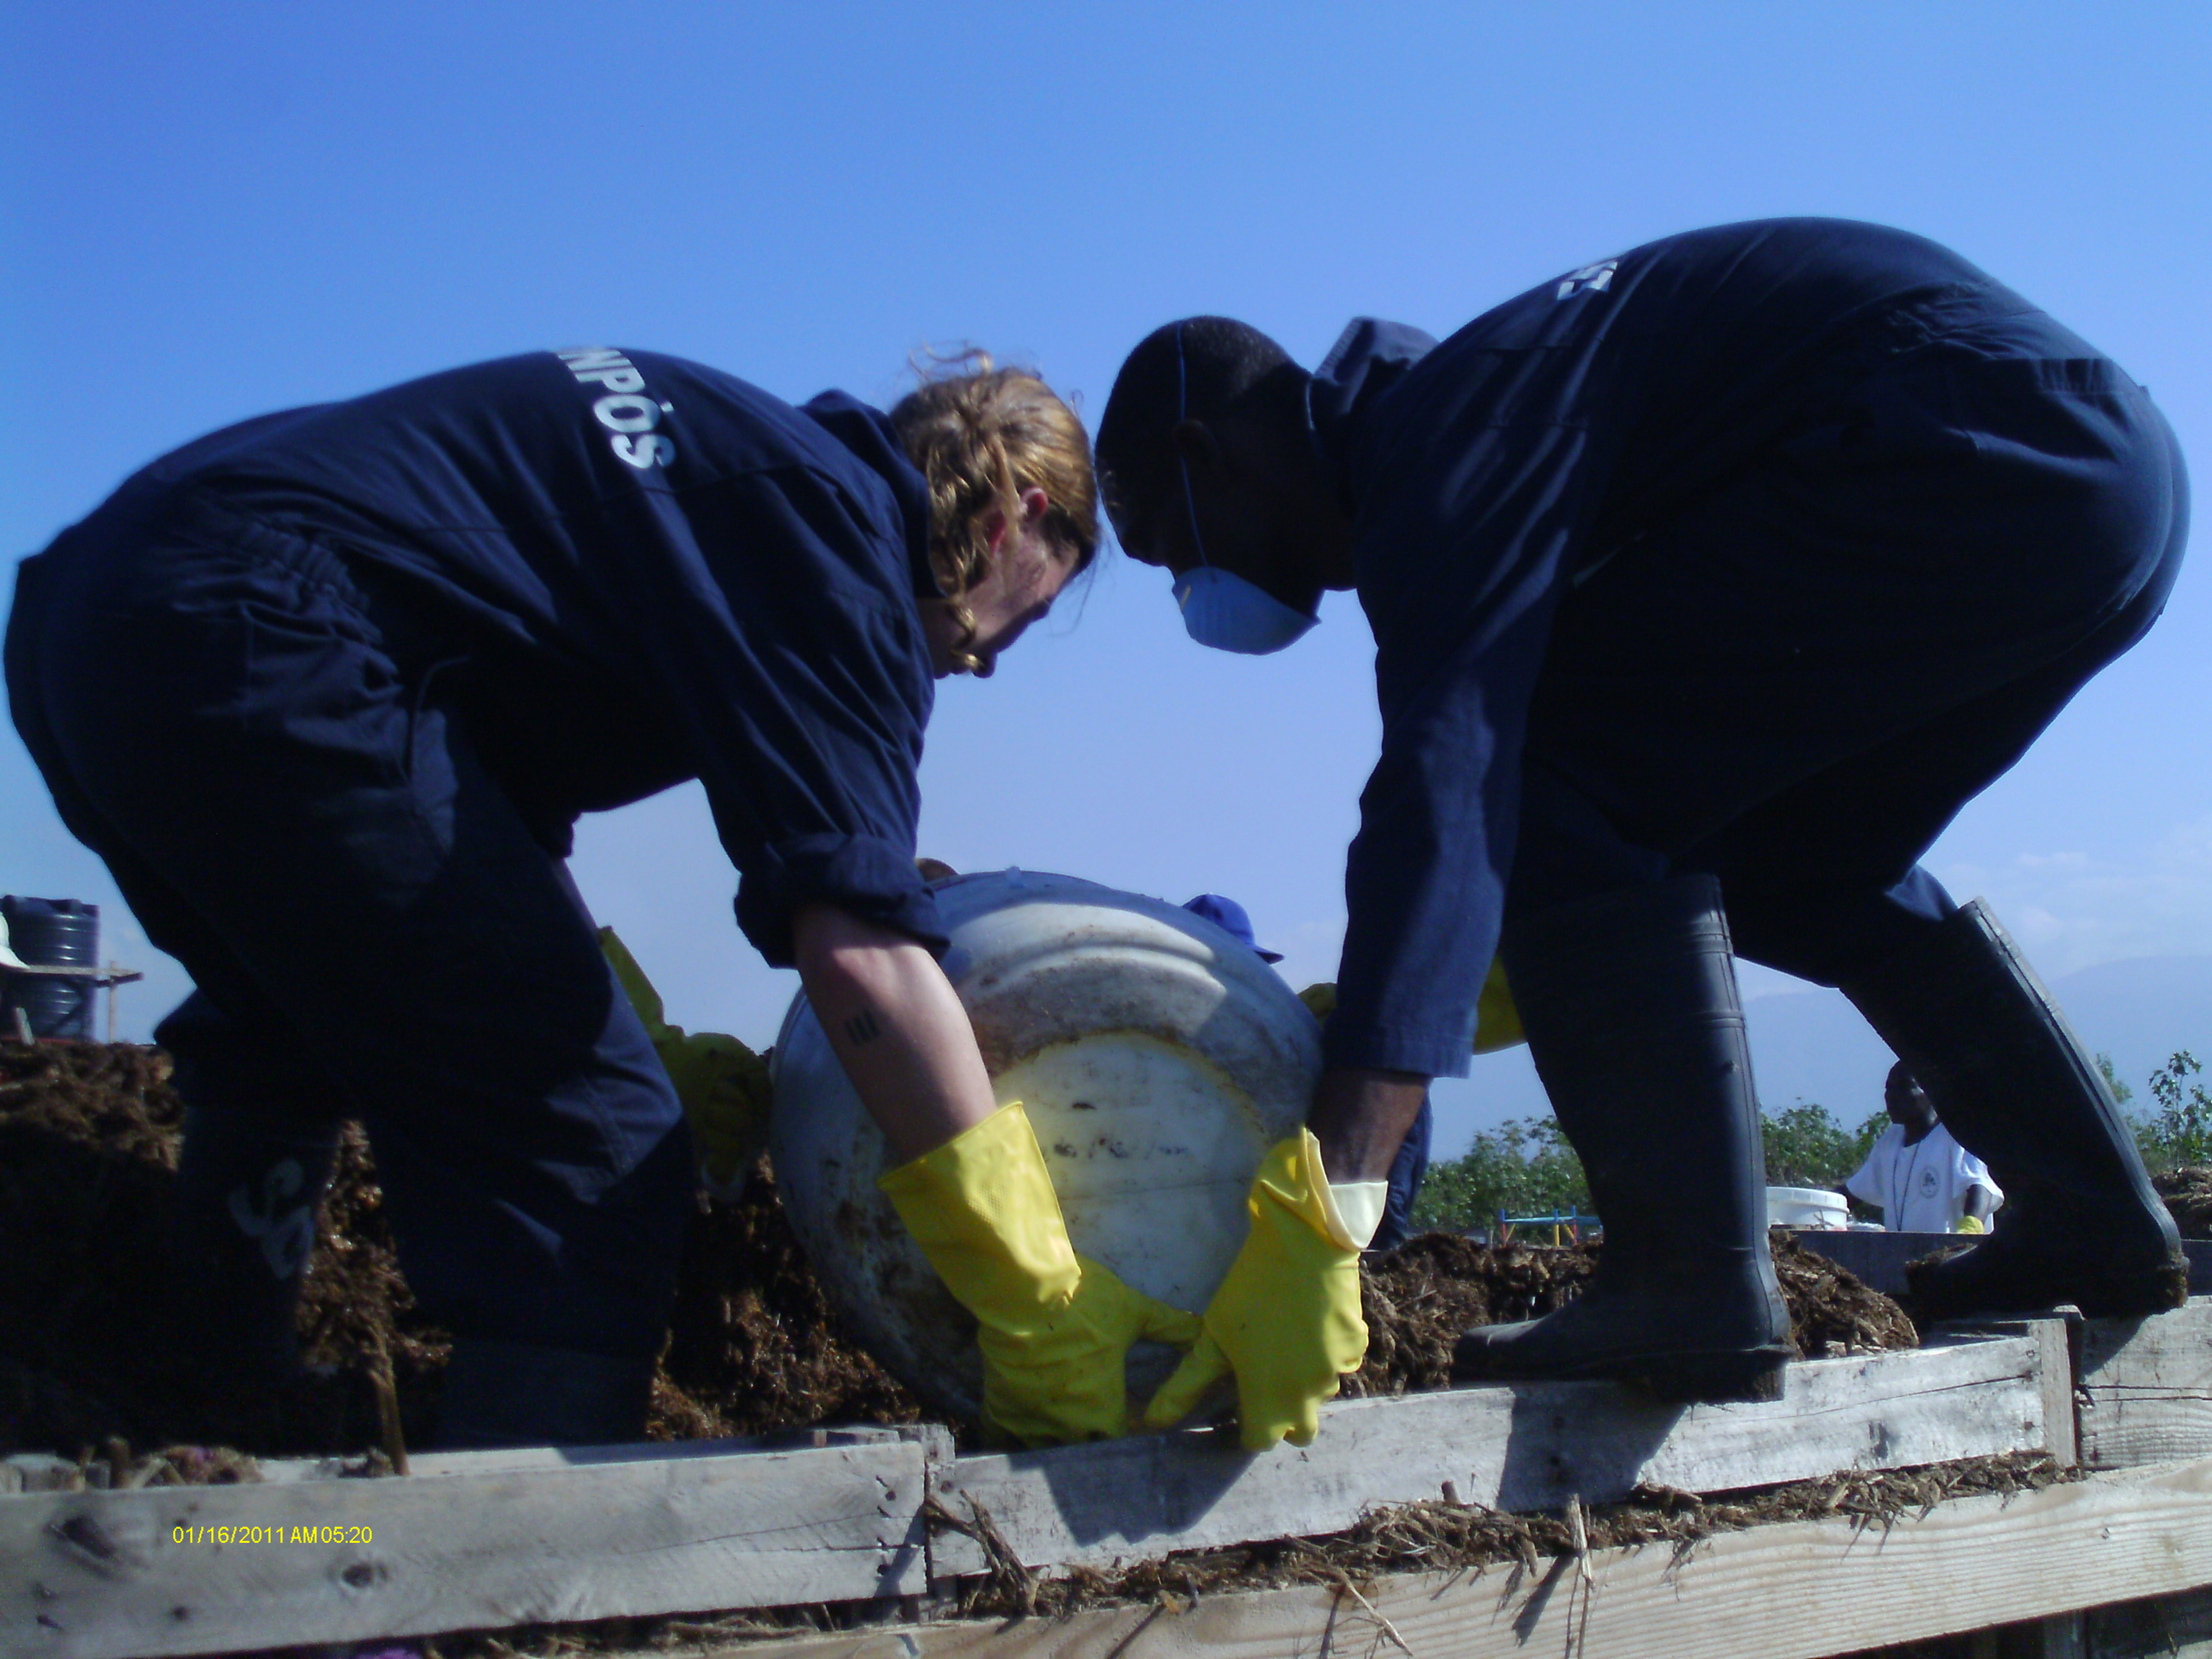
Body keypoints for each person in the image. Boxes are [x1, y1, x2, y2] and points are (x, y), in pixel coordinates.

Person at [1095, 218, 2189, 1441]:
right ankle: (2087, 1212)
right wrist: (1424, 996)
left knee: (1551, 762)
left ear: (1207, 456)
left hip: (1963, 443)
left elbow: (1447, 789)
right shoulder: (1465, 426)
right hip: (2098, 477)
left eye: (1163, 551)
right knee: (1796, 865)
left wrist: (1328, 1202)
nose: (1187, 590)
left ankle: (1685, 1282)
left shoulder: (1445, 442)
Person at [6, 346, 1200, 1450]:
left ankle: (220, 1403)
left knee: (287, 1024)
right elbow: (862, 955)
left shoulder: (734, 478)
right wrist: (1033, 1295)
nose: (981, 660)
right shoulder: (834, 542)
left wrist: (624, 1021)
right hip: (259, 627)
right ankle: (520, 1597)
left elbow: (471, 817)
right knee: (591, 1148)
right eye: (1020, 621)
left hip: (98, 612)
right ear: (1011, 520)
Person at [1845, 1062, 2002, 1235]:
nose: (1892, 1097)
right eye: (1888, 1089)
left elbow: (1980, 1187)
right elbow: (1853, 1192)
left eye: (1904, 1087)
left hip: (1948, 1255)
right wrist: (1819, 1205)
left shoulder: (1955, 1134)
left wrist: (1971, 1228)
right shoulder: (1890, 1141)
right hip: (1903, 1256)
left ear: (1931, 1091)